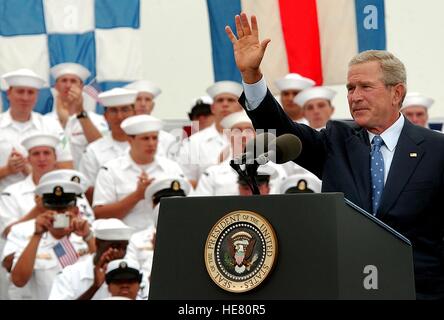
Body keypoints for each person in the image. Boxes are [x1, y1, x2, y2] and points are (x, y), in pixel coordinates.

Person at [226, 13, 444, 299]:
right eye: (350, 88)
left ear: (396, 93)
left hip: (419, 291)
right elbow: (280, 130)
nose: (355, 96)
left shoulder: (436, 150)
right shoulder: (336, 141)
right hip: (345, 288)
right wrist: (251, 76)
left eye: (365, 87)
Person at [93, 114, 184, 232]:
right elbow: (100, 214)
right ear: (130, 140)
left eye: (155, 138)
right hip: (125, 240)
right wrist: (137, 195)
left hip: (164, 236)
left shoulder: (172, 169)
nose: (151, 143)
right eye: (145, 138)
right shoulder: (110, 170)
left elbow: (188, 206)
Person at [7, 179, 94, 299]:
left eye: (64, 210)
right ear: (42, 212)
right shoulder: (30, 240)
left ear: (75, 211)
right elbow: (18, 281)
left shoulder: (90, 235)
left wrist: (88, 236)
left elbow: (103, 273)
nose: (58, 215)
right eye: (53, 210)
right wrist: (37, 235)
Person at [0, 69, 73, 192]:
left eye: (30, 92)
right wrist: (7, 170)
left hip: (45, 200)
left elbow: (67, 169)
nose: (25, 97)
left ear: (37, 96)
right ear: (9, 93)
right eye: (20, 91)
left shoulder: (51, 126)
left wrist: (33, 171)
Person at [48, 218, 148, 300]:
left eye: (124, 247)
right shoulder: (70, 275)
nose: (120, 252)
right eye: (114, 246)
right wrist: (94, 287)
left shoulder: (136, 275)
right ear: (97, 244)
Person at [194, 111, 286, 196]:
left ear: (257, 135)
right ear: (229, 136)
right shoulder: (212, 174)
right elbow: (201, 207)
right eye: (237, 131)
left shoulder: (277, 171)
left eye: (249, 130)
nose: (243, 135)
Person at [177, 81, 243, 188]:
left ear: (241, 107)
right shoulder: (193, 143)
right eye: (220, 100)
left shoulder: (253, 139)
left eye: (231, 100)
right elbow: (186, 182)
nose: (225, 104)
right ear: (213, 108)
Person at [47, 63, 108, 168]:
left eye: (73, 81)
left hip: (87, 181)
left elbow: (102, 148)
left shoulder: (97, 120)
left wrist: (80, 112)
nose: (68, 85)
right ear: (56, 87)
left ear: (81, 87)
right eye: (64, 80)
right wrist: (62, 123)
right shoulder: (45, 121)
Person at [78, 88, 136, 194]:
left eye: (125, 110)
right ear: (105, 116)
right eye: (113, 111)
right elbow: (87, 191)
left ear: (134, 113)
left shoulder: (150, 146)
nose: (120, 116)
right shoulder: (93, 151)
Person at [124, 80, 175, 158]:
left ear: (152, 105)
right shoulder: (122, 135)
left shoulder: (167, 139)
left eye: (147, 100)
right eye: (138, 99)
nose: (143, 104)